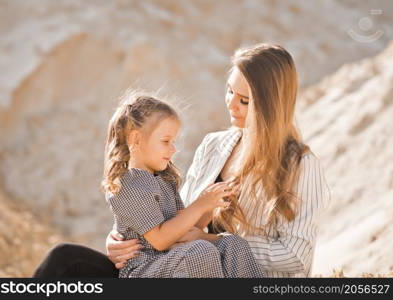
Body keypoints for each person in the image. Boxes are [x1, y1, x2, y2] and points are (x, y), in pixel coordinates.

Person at [33, 43, 330, 278]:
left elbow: (295, 255)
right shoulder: (215, 145)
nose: (231, 103)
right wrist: (124, 239)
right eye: (229, 90)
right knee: (65, 261)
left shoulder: (301, 165)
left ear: (272, 106)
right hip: (176, 268)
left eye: (245, 100)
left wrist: (213, 241)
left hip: (235, 273)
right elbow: (170, 220)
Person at [102, 93, 263, 278]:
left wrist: (212, 205)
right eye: (165, 141)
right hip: (145, 268)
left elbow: (184, 228)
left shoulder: (164, 179)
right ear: (136, 139)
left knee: (234, 244)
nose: (173, 149)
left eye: (173, 141)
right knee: (200, 252)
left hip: (173, 257)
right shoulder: (129, 185)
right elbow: (161, 240)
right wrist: (201, 204)